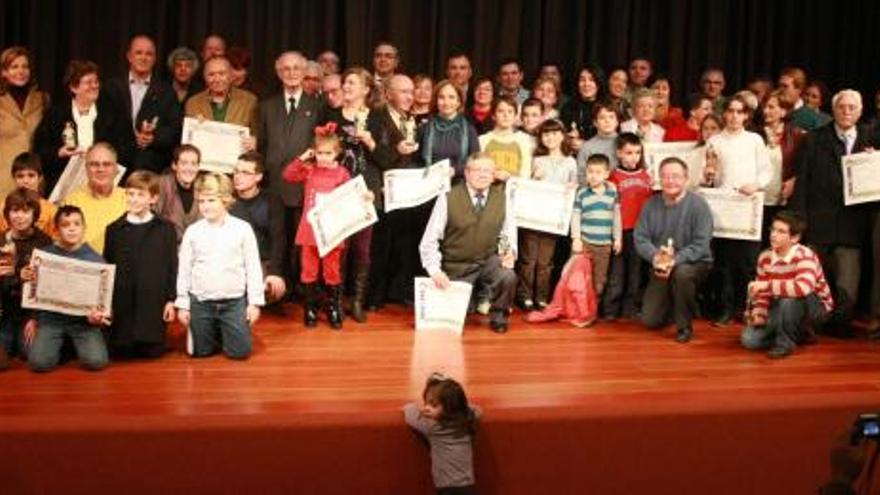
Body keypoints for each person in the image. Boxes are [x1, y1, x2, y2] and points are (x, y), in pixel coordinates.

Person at [791, 89, 871, 336]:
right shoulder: (814, 139)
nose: (846, 111)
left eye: (852, 107)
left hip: (853, 224)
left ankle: (841, 324)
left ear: (860, 111)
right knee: (815, 279)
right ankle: (814, 324)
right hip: (818, 222)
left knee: (848, 283)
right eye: (841, 107)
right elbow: (802, 182)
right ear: (833, 110)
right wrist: (799, 222)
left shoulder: (871, 139)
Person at [419, 152, 518, 332]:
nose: (482, 175)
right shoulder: (448, 197)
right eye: (477, 170)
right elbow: (429, 240)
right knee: (452, 321)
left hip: (487, 262)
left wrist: (509, 253)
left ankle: (499, 317)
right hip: (456, 267)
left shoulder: (502, 198)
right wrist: (435, 271)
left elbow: (508, 233)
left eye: (487, 171)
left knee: (507, 274)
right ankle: (473, 299)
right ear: (466, 173)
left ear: (493, 174)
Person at [176, 173, 263, 359]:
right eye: (201, 201)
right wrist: (183, 304)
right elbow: (184, 270)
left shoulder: (243, 229)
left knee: (240, 352)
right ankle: (210, 330)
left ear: (225, 200)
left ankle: (227, 328)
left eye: (211, 200)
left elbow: (253, 267)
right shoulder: (193, 232)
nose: (205, 206)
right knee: (200, 352)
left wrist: (254, 303)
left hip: (232, 302)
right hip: (201, 302)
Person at [258, 51, 324, 296]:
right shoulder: (265, 106)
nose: (292, 73)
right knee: (278, 239)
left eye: (297, 68)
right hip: (274, 183)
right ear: (278, 73)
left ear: (305, 71)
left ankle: (300, 289)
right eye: (286, 69)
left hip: (304, 186)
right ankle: (278, 288)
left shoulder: (317, 106)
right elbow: (261, 146)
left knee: (302, 242)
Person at [703, 95, 771, 326]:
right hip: (723, 207)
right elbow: (710, 174)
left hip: (747, 208)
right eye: (730, 111)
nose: (733, 116)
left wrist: (756, 185)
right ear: (724, 114)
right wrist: (709, 177)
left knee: (746, 263)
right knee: (722, 262)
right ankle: (725, 309)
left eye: (738, 112)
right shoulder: (715, 141)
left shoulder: (755, 140)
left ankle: (747, 308)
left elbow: (766, 172)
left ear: (746, 116)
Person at [635, 157, 713, 343]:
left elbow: (701, 245)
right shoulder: (650, 205)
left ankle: (684, 326)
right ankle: (677, 303)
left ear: (686, 179)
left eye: (676, 176)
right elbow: (640, 238)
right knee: (650, 320)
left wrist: (673, 261)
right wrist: (656, 258)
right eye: (665, 176)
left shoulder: (699, 205)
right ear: (659, 179)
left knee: (681, 274)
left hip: (694, 263)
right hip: (660, 265)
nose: (670, 181)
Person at [325, 67, 381, 322]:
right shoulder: (331, 115)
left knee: (362, 250)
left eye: (352, 83)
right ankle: (336, 300)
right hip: (336, 191)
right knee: (338, 248)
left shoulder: (377, 118)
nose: (346, 86)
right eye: (345, 82)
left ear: (366, 89)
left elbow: (388, 158)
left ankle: (357, 300)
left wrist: (370, 142)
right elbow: (320, 150)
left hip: (365, 193)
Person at [25, 205, 110, 372]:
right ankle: (61, 347)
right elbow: (33, 291)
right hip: (51, 319)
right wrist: (33, 317)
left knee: (97, 362)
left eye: (76, 224)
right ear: (56, 230)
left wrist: (99, 316)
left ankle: (71, 346)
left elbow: (104, 302)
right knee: (38, 364)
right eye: (65, 225)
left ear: (84, 228)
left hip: (83, 322)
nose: (72, 229)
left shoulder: (97, 260)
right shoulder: (44, 255)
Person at [283, 127, 352, 328]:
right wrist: (304, 157)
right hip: (310, 230)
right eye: (319, 153)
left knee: (332, 270)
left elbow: (350, 196)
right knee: (309, 270)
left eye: (328, 153)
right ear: (314, 151)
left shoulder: (342, 173)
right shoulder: (309, 170)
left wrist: (366, 196)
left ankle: (332, 308)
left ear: (337, 153)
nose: (323, 157)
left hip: (332, 230)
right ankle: (310, 308)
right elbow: (288, 175)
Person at [103, 170, 177, 358]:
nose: (134, 199)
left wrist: (170, 299)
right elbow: (108, 269)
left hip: (152, 307)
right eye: (130, 194)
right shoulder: (114, 230)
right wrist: (106, 304)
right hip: (122, 308)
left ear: (153, 198)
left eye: (140, 195)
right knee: (120, 353)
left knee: (152, 352)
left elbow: (171, 267)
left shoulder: (166, 229)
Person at [741, 210, 833, 358]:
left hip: (815, 307)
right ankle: (800, 332)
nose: (773, 235)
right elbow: (763, 295)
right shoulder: (765, 257)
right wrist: (760, 314)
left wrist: (766, 286)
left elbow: (802, 288)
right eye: (773, 229)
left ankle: (785, 343)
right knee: (749, 340)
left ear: (795, 238)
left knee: (789, 298)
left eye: (781, 231)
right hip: (781, 305)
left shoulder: (805, 255)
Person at [366, 74, 420, 309]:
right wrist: (397, 150)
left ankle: (393, 293)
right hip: (382, 191)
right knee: (380, 246)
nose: (410, 96)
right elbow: (374, 155)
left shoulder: (409, 119)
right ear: (388, 94)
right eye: (404, 91)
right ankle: (373, 298)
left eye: (411, 91)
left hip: (404, 192)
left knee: (400, 244)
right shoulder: (375, 118)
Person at [34, 59, 127, 193]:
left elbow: (127, 148)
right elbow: (40, 150)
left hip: (105, 185)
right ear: (73, 87)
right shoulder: (56, 114)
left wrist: (103, 156)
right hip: (65, 185)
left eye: (96, 81)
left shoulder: (112, 113)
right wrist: (59, 153)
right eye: (88, 82)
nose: (94, 86)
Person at [517, 119, 577, 310]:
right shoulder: (536, 160)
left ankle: (542, 297)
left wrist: (571, 188)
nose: (551, 137)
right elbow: (524, 186)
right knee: (528, 259)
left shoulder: (570, 162)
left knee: (545, 261)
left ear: (562, 136)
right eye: (546, 134)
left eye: (555, 133)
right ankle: (525, 295)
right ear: (541, 138)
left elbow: (574, 187)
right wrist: (534, 179)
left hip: (554, 219)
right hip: (533, 216)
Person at [105, 35, 182, 174]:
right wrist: (131, 139)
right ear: (129, 56)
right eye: (138, 53)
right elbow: (104, 127)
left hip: (151, 167)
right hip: (115, 164)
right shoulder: (112, 88)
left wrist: (153, 138)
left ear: (155, 59)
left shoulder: (167, 92)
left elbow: (174, 129)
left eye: (149, 54)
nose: (143, 57)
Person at [403, 373, 481, 495]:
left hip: (447, 488)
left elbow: (409, 413)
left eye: (433, 405)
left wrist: (417, 408)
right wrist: (458, 403)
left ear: (450, 406)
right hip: (468, 485)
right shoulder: (466, 420)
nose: (428, 408)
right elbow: (477, 410)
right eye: (426, 403)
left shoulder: (433, 427)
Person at [0, 188, 53, 366]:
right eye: (15, 211)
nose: (20, 216)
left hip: (28, 315)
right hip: (4, 314)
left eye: (25, 211)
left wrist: (35, 318)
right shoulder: (1, 241)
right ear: (7, 214)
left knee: (32, 355)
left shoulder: (44, 242)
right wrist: (15, 275)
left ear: (34, 213)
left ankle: (18, 344)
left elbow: (48, 288)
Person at [604, 133, 653, 319]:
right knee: (616, 274)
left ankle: (630, 308)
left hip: (639, 232)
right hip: (619, 232)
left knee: (635, 273)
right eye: (629, 152)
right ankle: (610, 310)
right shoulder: (613, 177)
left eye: (637, 153)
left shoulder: (646, 176)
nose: (634, 157)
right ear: (619, 154)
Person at [230, 152, 287, 306]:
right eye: (236, 171)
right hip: (232, 264)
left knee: (273, 290)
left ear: (258, 177)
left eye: (245, 173)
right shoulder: (227, 200)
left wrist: (274, 273)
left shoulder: (272, 201)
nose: (238, 176)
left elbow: (278, 239)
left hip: (260, 262)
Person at [571, 154, 621, 320]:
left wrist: (618, 238)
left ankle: (593, 310)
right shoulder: (582, 193)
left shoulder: (612, 192)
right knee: (578, 278)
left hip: (603, 245)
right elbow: (576, 216)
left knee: (599, 281)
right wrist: (576, 238)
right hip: (584, 242)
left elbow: (616, 217)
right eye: (590, 172)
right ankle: (578, 310)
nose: (593, 176)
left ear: (606, 174)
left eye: (598, 172)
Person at [0, 46, 48, 200]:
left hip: (35, 179)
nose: (20, 71)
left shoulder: (42, 99)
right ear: (3, 72)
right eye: (14, 67)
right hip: (4, 178)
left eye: (25, 66)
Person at [63, 142, 127, 254]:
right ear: (86, 168)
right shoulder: (71, 201)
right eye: (94, 164)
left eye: (107, 164)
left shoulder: (130, 199)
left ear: (116, 169)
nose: (100, 169)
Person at [185, 56, 258, 144]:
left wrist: (255, 142)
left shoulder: (249, 100)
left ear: (231, 75)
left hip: (238, 156)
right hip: (203, 156)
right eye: (211, 74)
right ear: (204, 77)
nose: (217, 79)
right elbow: (189, 140)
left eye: (222, 74)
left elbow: (257, 134)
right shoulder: (193, 103)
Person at [419, 80, 479, 179]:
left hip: (459, 185)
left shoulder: (469, 130)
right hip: (428, 184)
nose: (446, 102)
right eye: (441, 97)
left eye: (451, 97)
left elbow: (476, 162)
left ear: (459, 102)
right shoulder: (424, 128)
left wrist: (456, 171)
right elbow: (416, 161)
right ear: (436, 101)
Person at [478, 96, 535, 182]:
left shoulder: (525, 140)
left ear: (516, 116)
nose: (506, 115)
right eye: (501, 111)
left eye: (510, 111)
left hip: (515, 191)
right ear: (493, 115)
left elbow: (526, 174)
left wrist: (509, 178)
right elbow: (477, 171)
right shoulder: (483, 140)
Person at [0, 152, 56, 236]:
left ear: (40, 178)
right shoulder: (3, 208)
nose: (26, 181)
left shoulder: (51, 211)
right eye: (20, 176)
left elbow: (56, 244)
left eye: (31, 175)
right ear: (14, 178)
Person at [156, 144, 201, 242]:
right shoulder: (162, 185)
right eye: (184, 163)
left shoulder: (202, 189)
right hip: (165, 247)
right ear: (174, 165)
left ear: (198, 167)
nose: (189, 168)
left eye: (194, 164)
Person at [560, 65, 604, 150]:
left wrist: (585, 146)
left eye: (591, 80)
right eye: (582, 80)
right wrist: (568, 140)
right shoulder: (568, 108)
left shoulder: (607, 107)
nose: (586, 84)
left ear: (598, 83)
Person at [576, 101, 620, 181]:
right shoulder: (587, 147)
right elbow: (581, 176)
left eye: (611, 117)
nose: (607, 121)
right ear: (595, 123)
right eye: (602, 117)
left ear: (617, 121)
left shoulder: (625, 143)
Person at [778, 67, 827, 131]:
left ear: (799, 89)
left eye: (785, 86)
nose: (780, 90)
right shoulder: (772, 112)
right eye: (780, 85)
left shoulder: (811, 119)